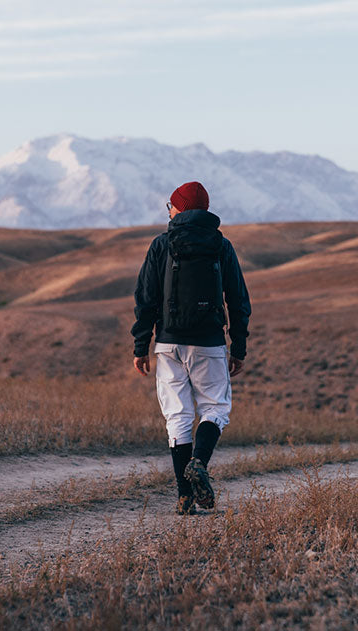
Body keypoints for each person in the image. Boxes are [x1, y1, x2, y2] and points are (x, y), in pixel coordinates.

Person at [131, 181, 251, 515]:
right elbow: (238, 299)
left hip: (168, 342)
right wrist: (238, 345)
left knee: (178, 416)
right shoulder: (220, 245)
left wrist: (141, 344)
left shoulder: (161, 245)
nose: (167, 210)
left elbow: (145, 299)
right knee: (215, 409)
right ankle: (199, 462)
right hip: (209, 342)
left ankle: (185, 498)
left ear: (180, 208)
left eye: (169, 205)